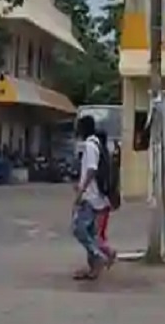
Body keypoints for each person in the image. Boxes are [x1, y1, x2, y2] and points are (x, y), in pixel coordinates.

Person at [71, 115, 110, 280]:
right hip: (96, 196)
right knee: (91, 232)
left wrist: (81, 191)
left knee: (78, 229)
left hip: (90, 197)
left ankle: (99, 257)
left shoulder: (89, 146)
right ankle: (93, 268)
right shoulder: (97, 144)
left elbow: (92, 169)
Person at [93, 132, 118, 265]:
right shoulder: (107, 156)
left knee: (96, 233)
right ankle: (104, 255)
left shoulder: (102, 158)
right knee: (100, 232)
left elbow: (102, 180)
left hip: (102, 200)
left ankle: (108, 253)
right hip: (106, 200)